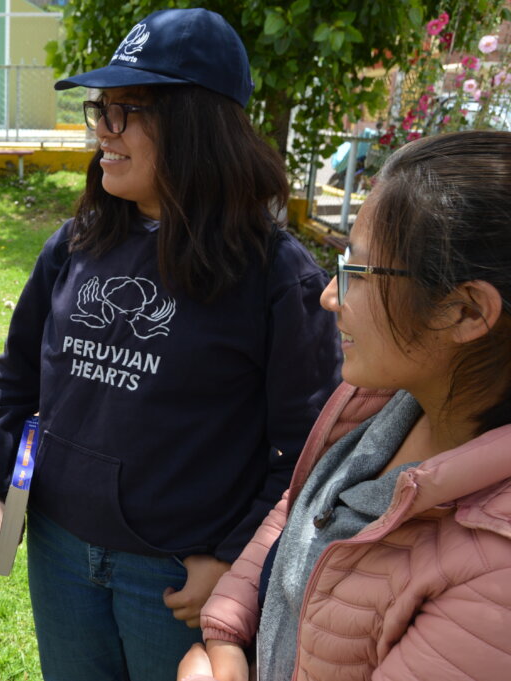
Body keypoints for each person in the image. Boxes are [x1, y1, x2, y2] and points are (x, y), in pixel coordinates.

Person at [0, 8, 341, 680]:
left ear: (195, 124)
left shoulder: (276, 276)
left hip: (174, 579)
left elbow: (307, 443)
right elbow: (22, 375)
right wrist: (1, 483)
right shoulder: (77, 241)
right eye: (99, 110)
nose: (102, 132)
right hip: (60, 553)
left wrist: (233, 560)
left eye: (124, 112)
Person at [182, 130, 511, 681]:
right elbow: (301, 506)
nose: (330, 295)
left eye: (358, 272)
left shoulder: (494, 572)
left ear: (466, 312)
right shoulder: (380, 403)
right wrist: (225, 634)